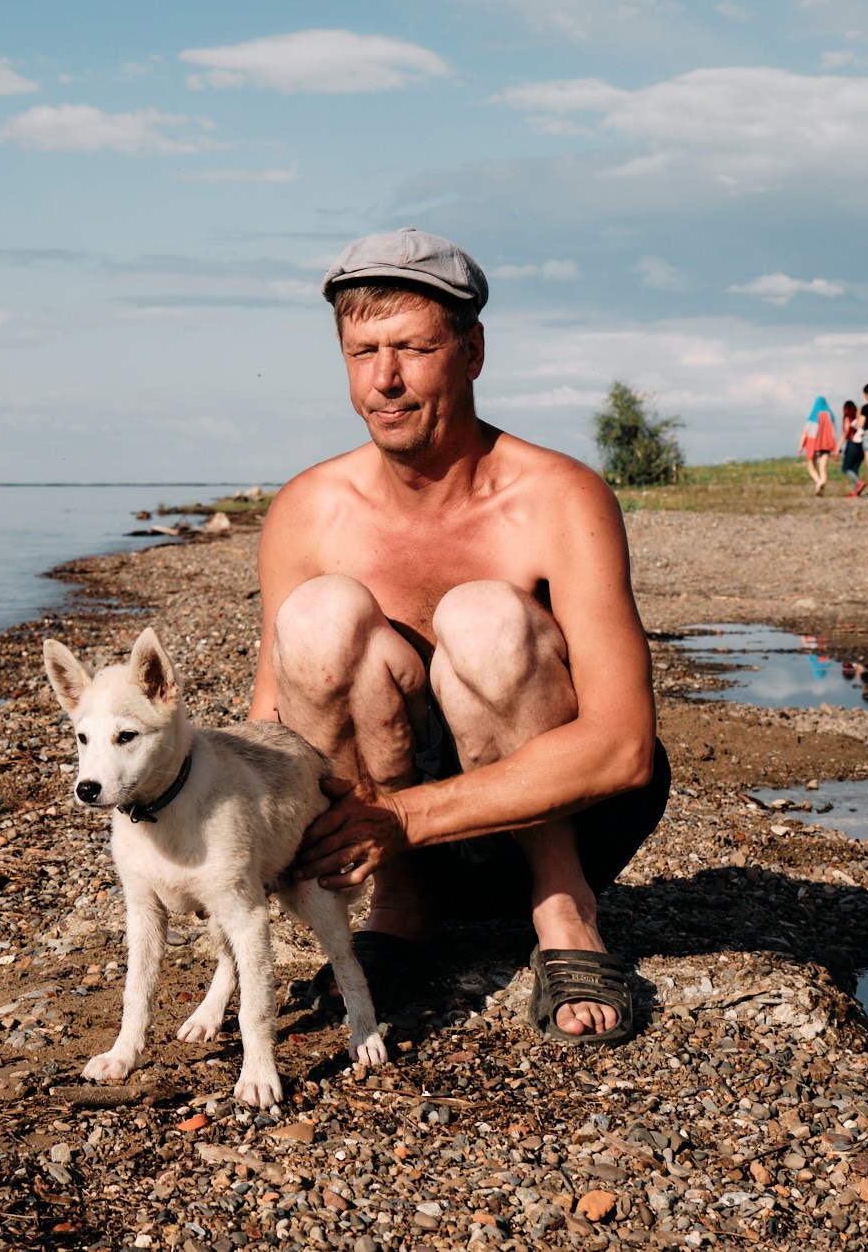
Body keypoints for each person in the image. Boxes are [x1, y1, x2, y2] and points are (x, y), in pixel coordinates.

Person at [251, 228, 669, 1044]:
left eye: (412, 346)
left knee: (483, 616)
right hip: (384, 839)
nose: (386, 379)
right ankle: (400, 907)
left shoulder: (558, 497)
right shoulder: (308, 509)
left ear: (473, 351)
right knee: (319, 616)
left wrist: (401, 814)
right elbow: (270, 725)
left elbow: (625, 748)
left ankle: (563, 911)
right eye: (362, 350)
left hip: (562, 817)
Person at [800, 396, 836, 495]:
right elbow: (833, 432)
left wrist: (801, 446)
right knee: (823, 469)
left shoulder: (813, 415)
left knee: (811, 468)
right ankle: (821, 485)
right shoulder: (831, 416)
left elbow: (805, 433)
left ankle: (818, 482)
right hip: (826, 446)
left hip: (814, 446)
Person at [839, 398, 864, 498]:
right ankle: (855, 492)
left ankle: (859, 482)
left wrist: (837, 448)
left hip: (852, 444)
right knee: (854, 469)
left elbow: (846, 433)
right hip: (861, 445)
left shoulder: (847, 418)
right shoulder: (859, 419)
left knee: (845, 468)